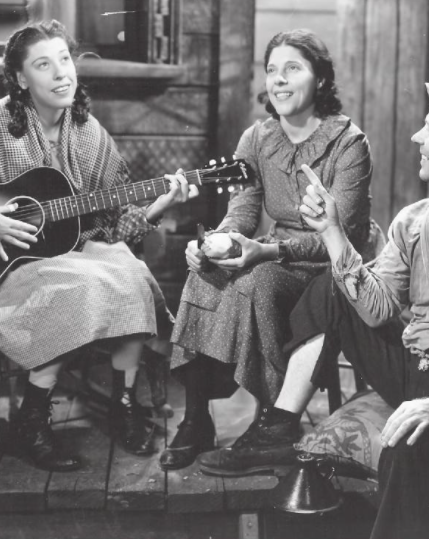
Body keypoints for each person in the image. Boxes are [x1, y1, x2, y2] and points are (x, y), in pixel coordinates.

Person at [196, 68, 429, 538]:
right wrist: (332, 233)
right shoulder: (414, 220)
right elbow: (378, 308)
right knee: (332, 287)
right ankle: (280, 423)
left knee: (407, 442)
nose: (416, 137)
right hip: (413, 368)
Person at [0, 20, 197, 471]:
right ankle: (33, 419)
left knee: (132, 274)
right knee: (78, 285)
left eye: (65, 59)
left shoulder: (90, 134)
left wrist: (158, 205)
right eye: (44, 65)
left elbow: (114, 225)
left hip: (69, 252)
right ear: (21, 78)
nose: (62, 73)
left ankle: (123, 402)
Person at [160, 29, 380, 471]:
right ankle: (196, 419)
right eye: (272, 70)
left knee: (259, 280)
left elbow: (340, 236)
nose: (278, 80)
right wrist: (215, 243)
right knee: (204, 274)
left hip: (329, 266)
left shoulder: (349, 143)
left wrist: (265, 252)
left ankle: (272, 424)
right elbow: (243, 209)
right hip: (273, 252)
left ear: (321, 79)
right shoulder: (257, 138)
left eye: (292, 69)